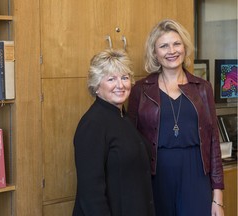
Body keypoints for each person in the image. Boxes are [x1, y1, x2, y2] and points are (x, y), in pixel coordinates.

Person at [127, 19, 224, 216]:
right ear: (155, 52)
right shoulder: (141, 90)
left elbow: (213, 142)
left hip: (196, 174)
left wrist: (218, 199)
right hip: (156, 176)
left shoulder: (203, 88)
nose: (171, 50)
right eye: (163, 46)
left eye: (176, 44)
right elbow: (131, 144)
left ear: (185, 47)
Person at [72, 49, 155, 216]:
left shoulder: (123, 117)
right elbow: (91, 195)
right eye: (111, 79)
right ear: (96, 86)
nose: (120, 85)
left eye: (124, 78)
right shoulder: (92, 124)